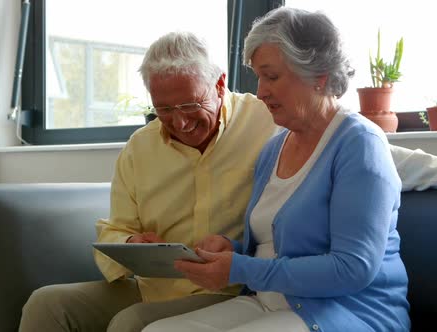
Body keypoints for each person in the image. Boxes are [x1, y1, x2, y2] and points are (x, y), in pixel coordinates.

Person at [18, 27, 437, 332]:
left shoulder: (281, 124)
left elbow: (383, 162)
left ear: (219, 86)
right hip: (180, 282)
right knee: (51, 303)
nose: (177, 120)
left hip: (253, 289)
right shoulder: (269, 141)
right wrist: (140, 244)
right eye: (162, 110)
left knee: (135, 328)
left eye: (189, 105)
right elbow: (115, 232)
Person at [145, 6, 408, 331]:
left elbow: (353, 268)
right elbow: (275, 247)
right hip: (270, 300)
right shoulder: (274, 148)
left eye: (271, 76)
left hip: (348, 311)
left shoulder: (360, 143)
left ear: (318, 76)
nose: (261, 91)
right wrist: (232, 250)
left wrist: (239, 268)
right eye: (258, 76)